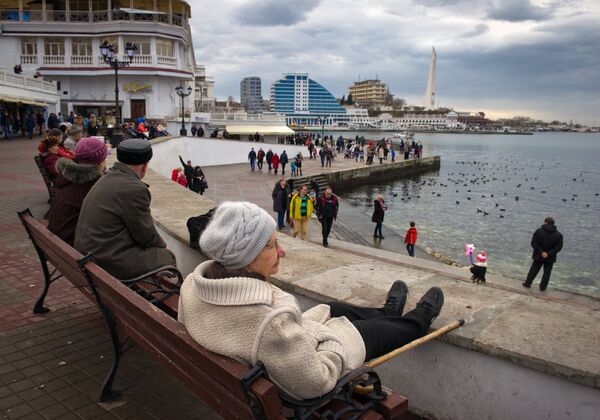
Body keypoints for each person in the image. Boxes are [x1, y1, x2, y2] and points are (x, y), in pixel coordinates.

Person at [178, 201, 445, 400]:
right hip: (306, 370)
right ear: (246, 261)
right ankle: (417, 321)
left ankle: (387, 311)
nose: (281, 251)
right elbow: (316, 382)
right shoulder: (271, 323)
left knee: (336, 309)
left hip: (267, 354)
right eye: (271, 246)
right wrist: (329, 337)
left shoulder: (193, 283)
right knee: (374, 332)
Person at [75, 139, 176, 280]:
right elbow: (145, 235)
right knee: (166, 256)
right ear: (145, 166)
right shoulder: (134, 188)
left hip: (89, 254)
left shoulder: (106, 178)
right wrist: (164, 247)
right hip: (108, 261)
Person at [48, 137, 107, 246]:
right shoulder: (92, 185)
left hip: (59, 244)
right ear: (100, 162)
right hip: (74, 248)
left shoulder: (67, 177)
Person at [523, 217, 563, 291]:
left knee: (534, 269)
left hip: (539, 254)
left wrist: (541, 252)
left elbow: (534, 243)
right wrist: (548, 253)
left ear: (546, 222)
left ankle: (528, 283)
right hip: (550, 257)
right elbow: (558, 247)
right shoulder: (559, 235)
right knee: (547, 273)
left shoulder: (538, 231)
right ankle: (543, 287)